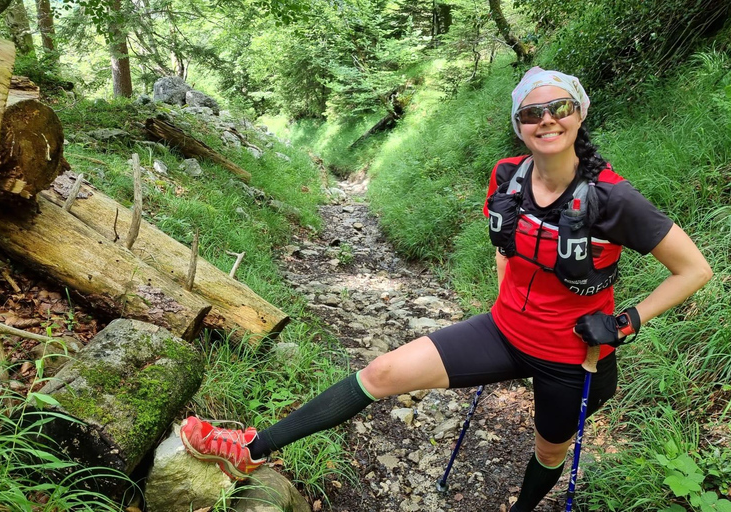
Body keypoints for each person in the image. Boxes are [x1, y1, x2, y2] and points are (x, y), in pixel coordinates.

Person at [180, 67, 713, 511]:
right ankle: (250, 450)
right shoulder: (507, 175)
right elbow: (505, 243)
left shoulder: (612, 199)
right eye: (532, 113)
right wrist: (505, 298)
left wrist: (625, 322)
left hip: (574, 356)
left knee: (549, 452)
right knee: (382, 372)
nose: (547, 119)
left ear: (579, 113)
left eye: (560, 107)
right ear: (519, 125)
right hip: (503, 331)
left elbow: (693, 270)